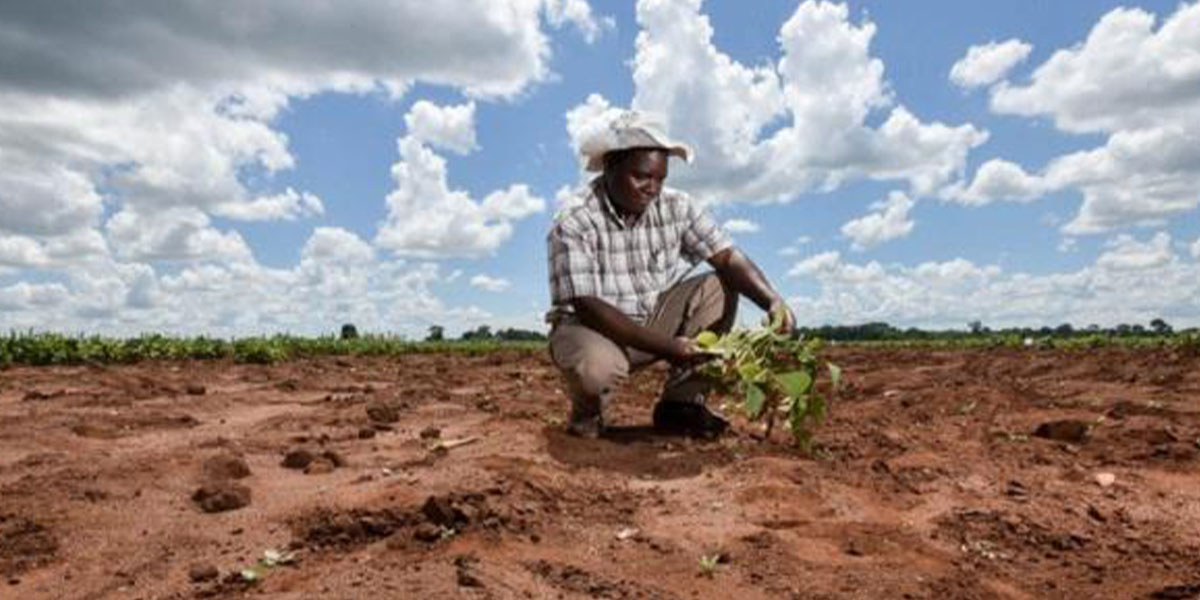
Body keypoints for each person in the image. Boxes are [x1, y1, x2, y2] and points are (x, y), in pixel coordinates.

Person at [546, 110, 795, 439]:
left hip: (650, 321)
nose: (652, 188)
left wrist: (773, 301)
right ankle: (587, 416)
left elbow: (727, 256)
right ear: (610, 167)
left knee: (720, 284)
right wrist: (669, 347)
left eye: (659, 179)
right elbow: (589, 305)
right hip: (590, 329)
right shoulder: (575, 220)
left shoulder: (677, 206)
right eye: (641, 177)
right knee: (598, 370)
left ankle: (682, 406)